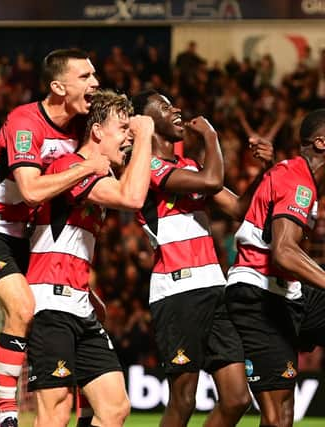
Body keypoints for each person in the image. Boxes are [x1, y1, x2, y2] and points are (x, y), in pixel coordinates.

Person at [0, 48, 108, 427]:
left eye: (94, 75)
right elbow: (30, 191)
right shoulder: (25, 122)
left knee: (76, 313)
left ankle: (84, 408)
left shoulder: (81, 125)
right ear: (59, 86)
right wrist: (88, 167)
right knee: (23, 309)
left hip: (33, 239)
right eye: (85, 77)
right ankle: (6, 412)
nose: (94, 83)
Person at [131, 89, 273, 427]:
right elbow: (212, 180)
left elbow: (239, 208)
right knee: (183, 400)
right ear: (146, 123)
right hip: (177, 292)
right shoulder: (147, 168)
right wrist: (210, 134)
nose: (176, 110)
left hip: (214, 286)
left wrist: (263, 173)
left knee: (237, 397)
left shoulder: (190, 166)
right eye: (165, 108)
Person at [26, 90, 153, 427]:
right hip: (49, 306)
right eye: (123, 129)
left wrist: (87, 290)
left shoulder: (98, 176)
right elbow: (133, 196)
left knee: (114, 408)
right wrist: (146, 135)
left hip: (78, 306)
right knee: (55, 413)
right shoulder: (72, 167)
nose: (128, 137)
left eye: (131, 130)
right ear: (97, 131)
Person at [225, 108, 325, 427]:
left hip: (287, 292)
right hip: (258, 293)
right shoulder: (300, 182)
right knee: (278, 416)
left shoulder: (296, 176)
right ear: (321, 143)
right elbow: (283, 252)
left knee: (282, 414)